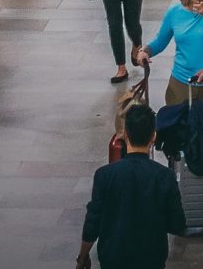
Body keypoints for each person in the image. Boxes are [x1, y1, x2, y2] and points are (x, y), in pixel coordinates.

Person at [78, 101, 187, 269]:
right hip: (152, 259)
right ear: (153, 137)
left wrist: (82, 257)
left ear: (126, 135)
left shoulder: (105, 175)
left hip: (113, 259)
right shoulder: (165, 176)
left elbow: (92, 223)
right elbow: (178, 225)